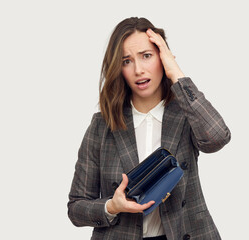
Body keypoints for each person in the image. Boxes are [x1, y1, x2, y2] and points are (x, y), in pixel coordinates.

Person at [67, 17, 231, 240]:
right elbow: (76, 208)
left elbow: (217, 138)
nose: (138, 70)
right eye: (126, 61)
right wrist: (111, 207)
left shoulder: (185, 114)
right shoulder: (102, 125)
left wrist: (176, 74)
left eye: (147, 56)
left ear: (162, 57)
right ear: (119, 68)